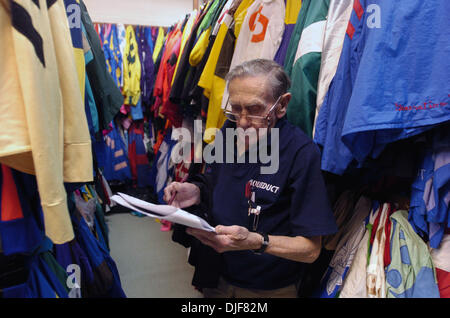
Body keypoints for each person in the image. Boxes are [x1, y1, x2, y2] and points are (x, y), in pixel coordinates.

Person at [163, 59, 337, 298]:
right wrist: (195, 190)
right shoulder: (230, 130)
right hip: (216, 276)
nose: (243, 121)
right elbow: (217, 180)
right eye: (235, 108)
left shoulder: (301, 153)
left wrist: (256, 241)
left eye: (254, 110)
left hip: (267, 289)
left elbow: (310, 250)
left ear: (282, 105)